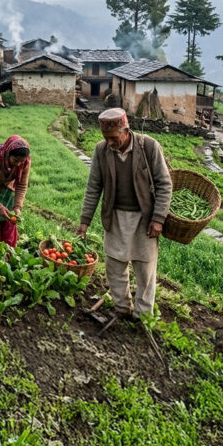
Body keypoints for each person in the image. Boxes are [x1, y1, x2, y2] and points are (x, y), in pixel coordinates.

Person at [77, 108, 172, 321]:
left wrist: (158, 219)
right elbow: (93, 187)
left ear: (125, 130)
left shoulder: (148, 147)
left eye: (113, 137)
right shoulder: (101, 151)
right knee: (114, 265)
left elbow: (165, 184)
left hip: (144, 218)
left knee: (145, 268)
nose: (110, 142)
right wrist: (85, 221)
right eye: (106, 138)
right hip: (116, 216)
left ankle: (142, 315)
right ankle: (122, 308)